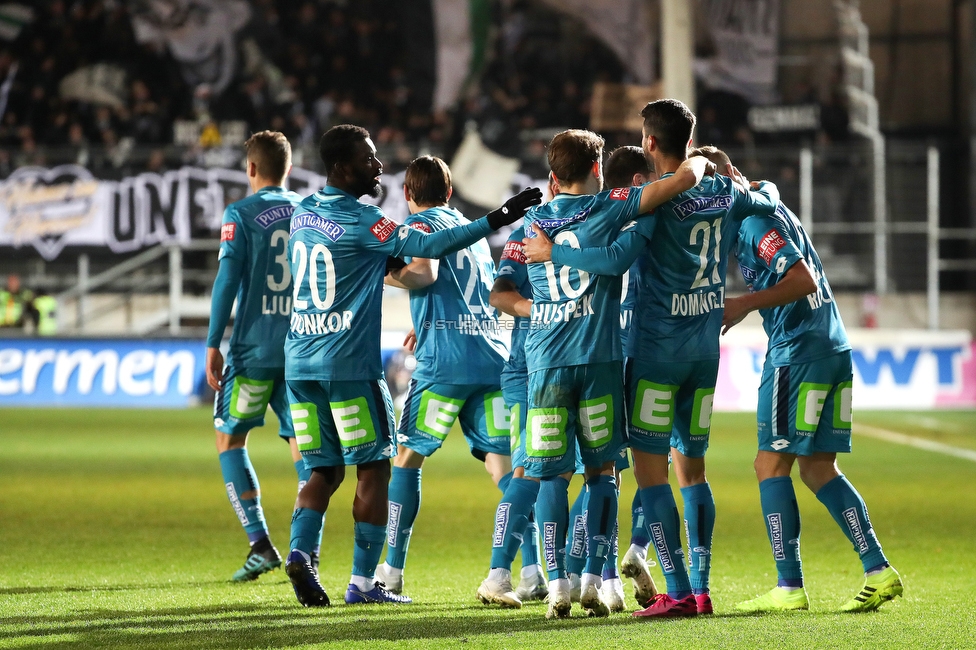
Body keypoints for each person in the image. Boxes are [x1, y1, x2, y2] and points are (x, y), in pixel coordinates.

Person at [522, 100, 779, 618]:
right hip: (706, 353)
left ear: (652, 143)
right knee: (694, 472)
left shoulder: (648, 201)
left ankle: (679, 591)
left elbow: (613, 258)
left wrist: (556, 253)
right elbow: (769, 204)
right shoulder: (725, 191)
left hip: (655, 354)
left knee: (650, 476)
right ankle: (702, 590)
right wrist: (744, 181)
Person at [283, 124, 541, 607]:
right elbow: (421, 256)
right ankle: (369, 584)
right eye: (369, 158)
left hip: (300, 361)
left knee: (324, 470)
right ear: (343, 167)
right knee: (380, 468)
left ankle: (304, 552)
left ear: (410, 192)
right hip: (376, 363)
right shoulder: (369, 219)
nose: (378, 165)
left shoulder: (300, 215)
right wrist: (498, 218)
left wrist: (381, 272)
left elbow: (382, 265)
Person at [504, 128, 710, 619]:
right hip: (598, 363)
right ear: (598, 170)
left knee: (549, 476)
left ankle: (558, 587)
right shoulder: (612, 207)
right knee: (603, 475)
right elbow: (678, 182)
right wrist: (699, 165)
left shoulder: (528, 224)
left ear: (553, 178)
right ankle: (594, 579)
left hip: (545, 366)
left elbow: (502, 290)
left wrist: (543, 304)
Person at [694, 146, 904, 613]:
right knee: (817, 468)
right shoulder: (768, 202)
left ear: (725, 182)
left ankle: (789, 586)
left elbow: (802, 278)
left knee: (770, 466)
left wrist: (743, 304)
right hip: (831, 345)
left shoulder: (752, 223)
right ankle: (878, 569)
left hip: (798, 352)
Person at [373, 156, 514, 597]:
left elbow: (425, 272)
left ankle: (391, 573)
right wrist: (429, 317)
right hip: (491, 357)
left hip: (445, 365)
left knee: (408, 458)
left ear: (408, 195)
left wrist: (386, 274)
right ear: (450, 192)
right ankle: (520, 574)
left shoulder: (421, 226)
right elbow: (468, 288)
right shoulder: (471, 232)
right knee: (504, 469)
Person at [205, 130, 307, 582]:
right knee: (304, 448)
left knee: (230, 439)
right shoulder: (310, 213)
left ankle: (261, 544)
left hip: (252, 351)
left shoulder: (241, 214)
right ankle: (307, 551)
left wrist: (212, 342)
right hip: (302, 350)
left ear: (251, 169)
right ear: (288, 168)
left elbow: (227, 282)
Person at [476, 177, 556, 610]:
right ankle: (502, 573)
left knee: (558, 474)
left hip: (574, 365)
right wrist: (544, 310)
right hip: (528, 369)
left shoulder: (599, 220)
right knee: (528, 472)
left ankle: (542, 574)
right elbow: (499, 293)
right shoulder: (524, 235)